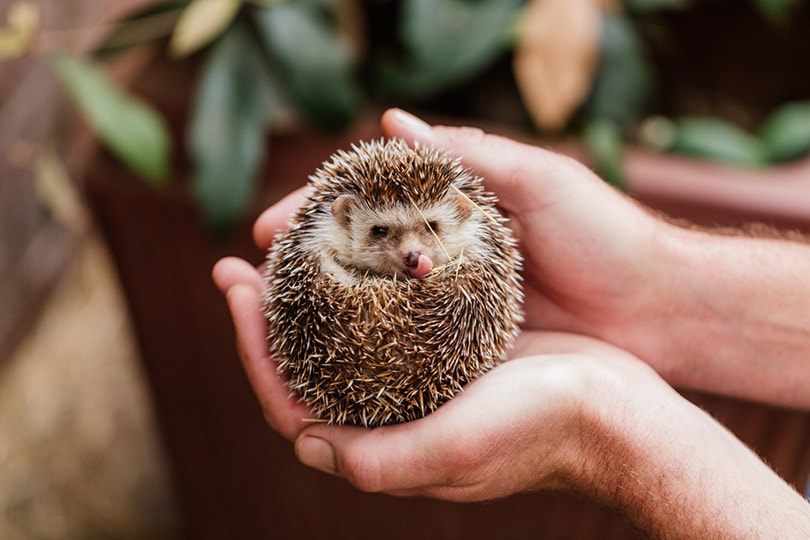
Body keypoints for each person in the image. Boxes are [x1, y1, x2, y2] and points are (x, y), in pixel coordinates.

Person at [212, 108, 810, 538]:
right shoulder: (321, 250)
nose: (413, 253)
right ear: (342, 222)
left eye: (432, 230)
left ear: (463, 217)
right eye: (381, 233)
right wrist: (657, 287)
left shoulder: (465, 253)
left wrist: (603, 435)